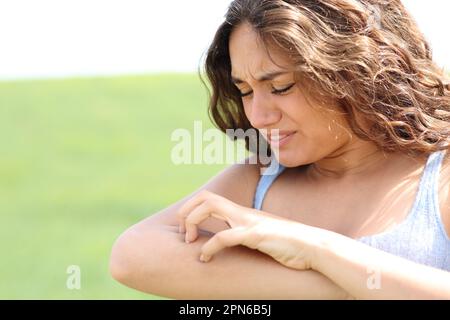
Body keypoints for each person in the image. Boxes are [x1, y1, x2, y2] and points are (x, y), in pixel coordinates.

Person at [109, 0, 450, 299]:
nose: (258, 116)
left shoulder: (440, 180)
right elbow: (131, 256)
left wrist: (315, 248)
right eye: (245, 90)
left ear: (356, 70)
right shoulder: (258, 181)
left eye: (281, 87)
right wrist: (345, 287)